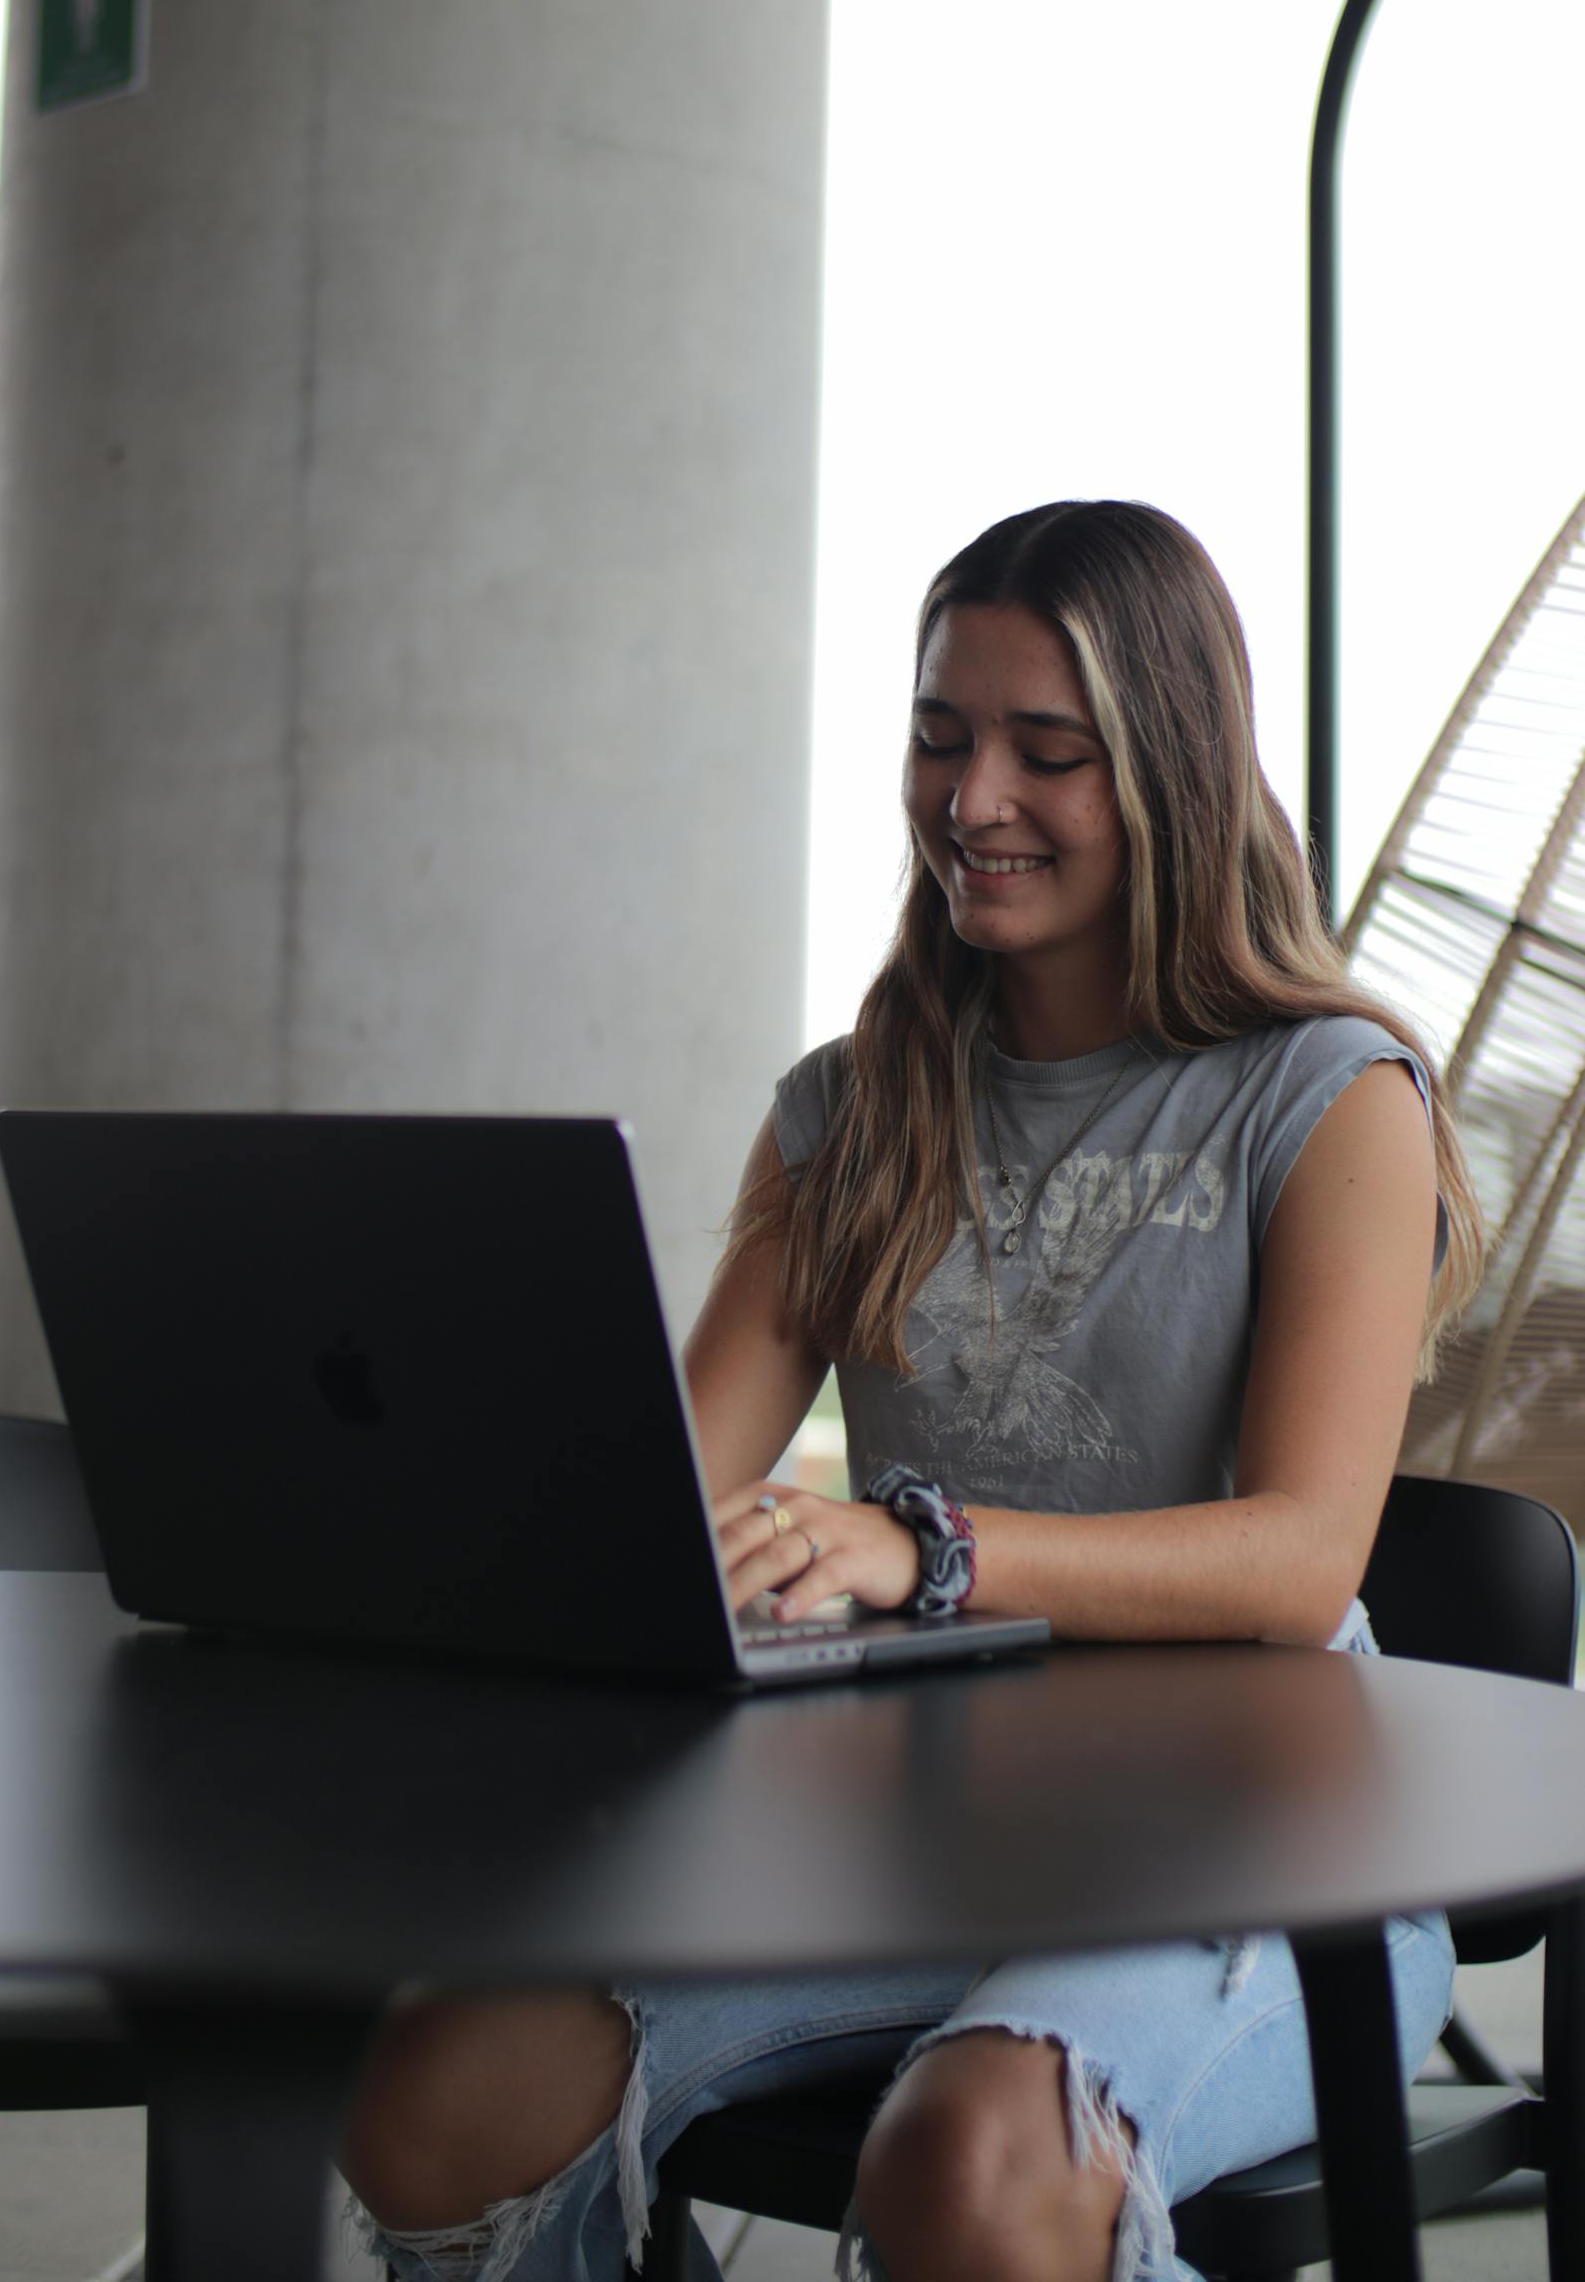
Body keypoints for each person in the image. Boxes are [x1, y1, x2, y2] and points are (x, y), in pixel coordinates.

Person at [339, 500, 1483, 2282]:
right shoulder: (850, 1111)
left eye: (1050, 751)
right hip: (911, 1839)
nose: (971, 801)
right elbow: (662, 1512)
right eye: (941, 737)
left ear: (1173, 770)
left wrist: (912, 1545)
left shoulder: (1333, 1097)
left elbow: (1300, 1562)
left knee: (967, 2165)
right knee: (433, 2086)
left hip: (1270, 1845)